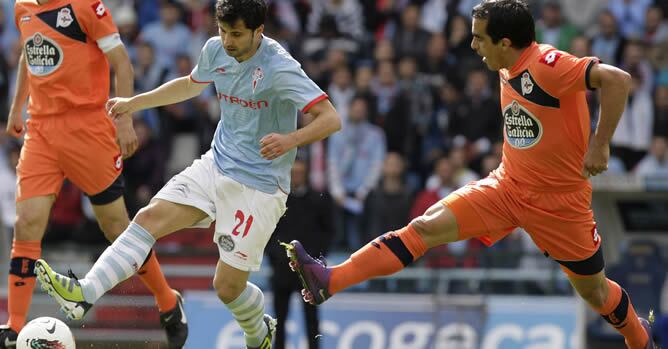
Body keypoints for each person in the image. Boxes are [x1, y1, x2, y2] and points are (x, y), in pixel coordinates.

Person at [284, 1, 657, 348]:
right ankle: (329, 280)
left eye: (479, 37)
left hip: (561, 206)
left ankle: (640, 338)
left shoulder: (548, 64)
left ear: (505, 42)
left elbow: (617, 79)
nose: (473, 44)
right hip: (507, 187)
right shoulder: (505, 63)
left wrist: (600, 143)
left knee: (594, 293)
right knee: (426, 227)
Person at [34, 0, 341, 348]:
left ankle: (259, 333)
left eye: (236, 34)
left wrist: (290, 140)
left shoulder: (280, 66)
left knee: (226, 288)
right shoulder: (215, 49)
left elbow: (331, 118)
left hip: (260, 186)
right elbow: (191, 85)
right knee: (149, 218)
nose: (227, 40)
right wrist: (134, 103)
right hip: (216, 163)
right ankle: (85, 293)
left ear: (259, 31)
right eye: (222, 30)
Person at [2, 1, 187, 348]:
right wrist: (16, 108)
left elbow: (121, 62)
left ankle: (167, 300)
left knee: (116, 227)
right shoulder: (21, 7)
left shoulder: (87, 7)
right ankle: (13, 327)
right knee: (27, 223)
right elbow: (31, 53)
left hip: (88, 129)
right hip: (41, 130)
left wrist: (125, 118)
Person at [266, 158, 332, 349]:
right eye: (293, 173)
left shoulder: (318, 198)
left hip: (310, 271)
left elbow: (328, 231)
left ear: (306, 174)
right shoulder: (277, 199)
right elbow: (267, 231)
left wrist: (315, 259)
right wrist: (276, 257)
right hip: (281, 269)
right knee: (279, 320)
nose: (296, 176)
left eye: (300, 172)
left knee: (312, 321)